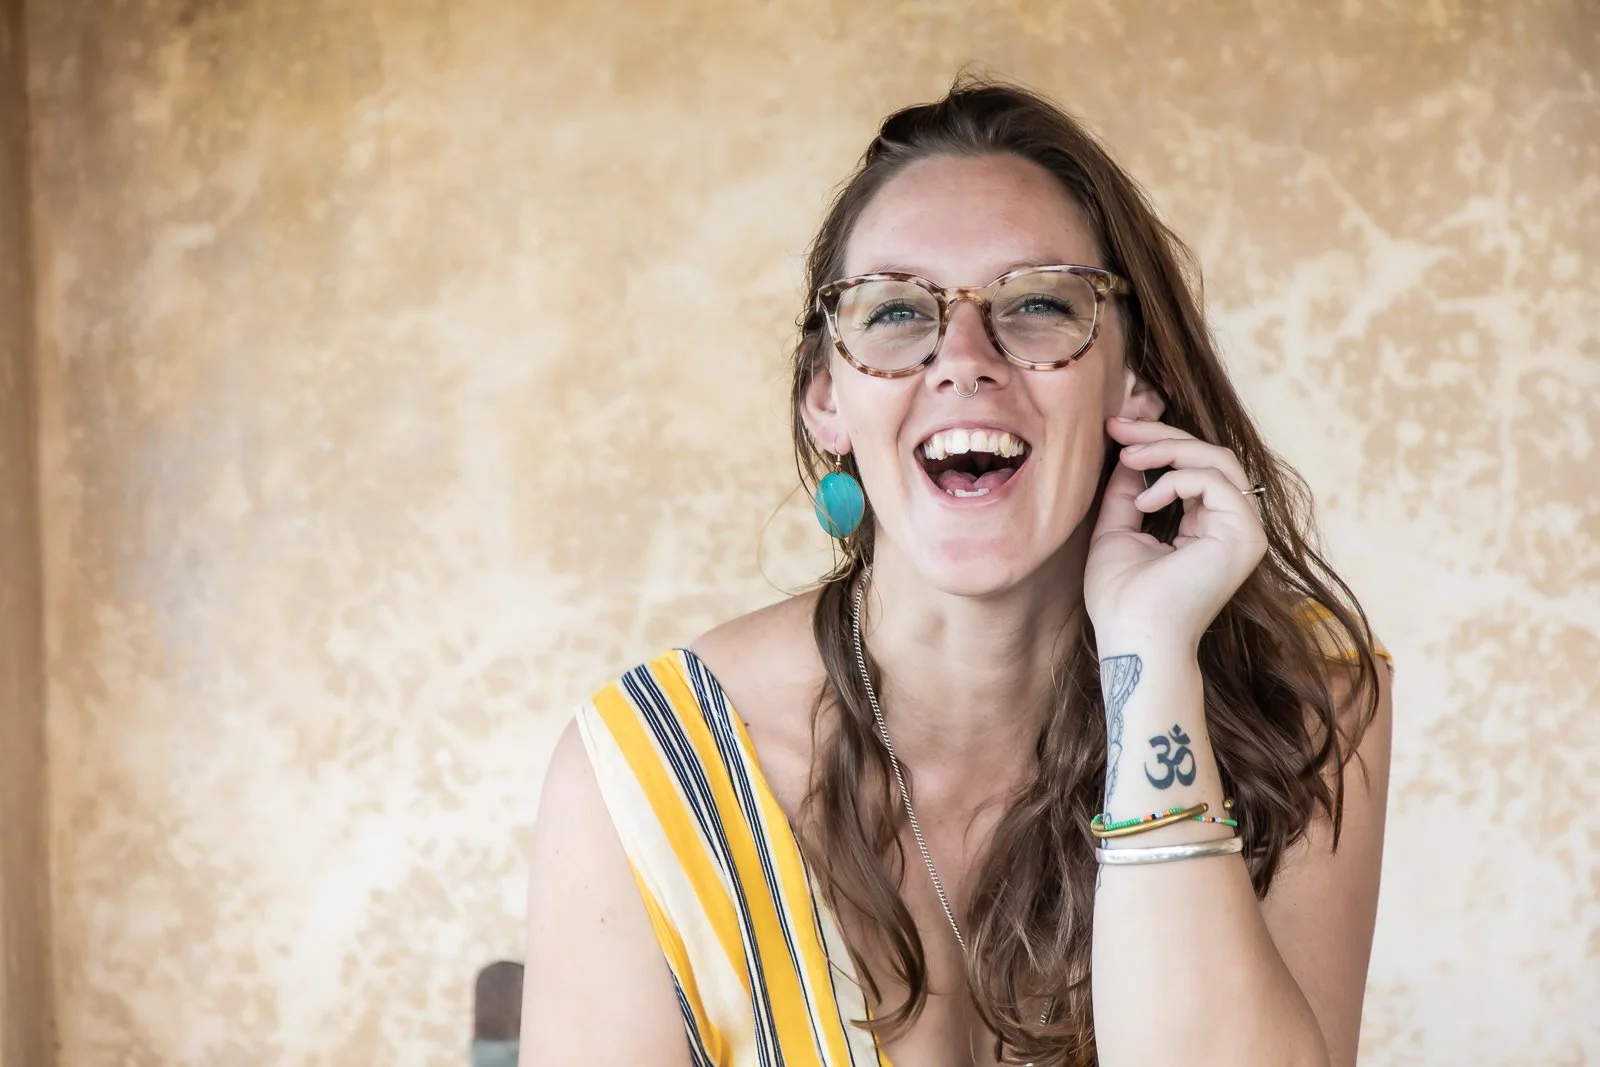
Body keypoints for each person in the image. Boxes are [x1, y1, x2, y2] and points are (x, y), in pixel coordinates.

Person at [520, 77, 1393, 1067]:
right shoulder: (635, 773)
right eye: (894, 312)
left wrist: (1151, 653)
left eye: (1035, 304)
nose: (965, 358)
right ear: (827, 401)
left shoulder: (1310, 704)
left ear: (1134, 377)